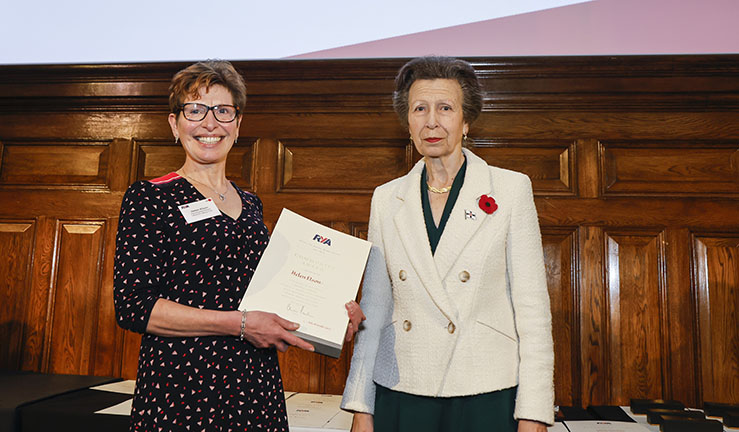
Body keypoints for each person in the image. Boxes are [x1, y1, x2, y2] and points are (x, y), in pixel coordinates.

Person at [113, 60, 365, 431]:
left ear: (237, 125)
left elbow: (268, 300)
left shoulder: (251, 205)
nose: (209, 123)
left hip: (254, 387)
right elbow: (134, 308)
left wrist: (331, 316)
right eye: (195, 109)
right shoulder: (150, 197)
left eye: (223, 111)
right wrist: (240, 325)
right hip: (182, 388)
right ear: (174, 123)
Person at [341, 56, 554, 432]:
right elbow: (375, 307)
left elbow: (533, 313)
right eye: (419, 109)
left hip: (484, 392)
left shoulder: (510, 189)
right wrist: (361, 404)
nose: (432, 121)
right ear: (408, 122)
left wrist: (534, 412)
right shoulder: (386, 198)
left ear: (466, 120)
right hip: (402, 388)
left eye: (445, 108)